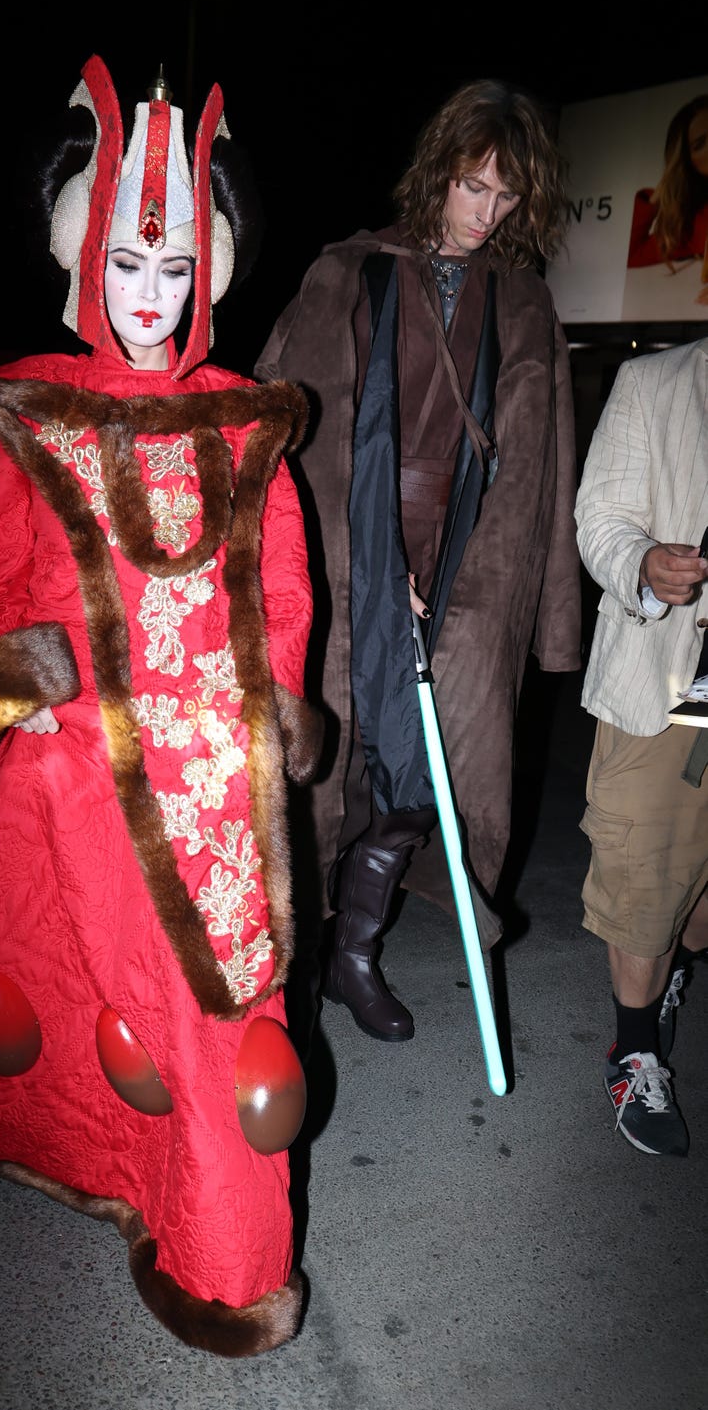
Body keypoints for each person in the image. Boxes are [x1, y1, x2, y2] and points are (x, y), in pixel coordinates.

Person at [0, 56, 321, 1356]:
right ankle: (189, 1235)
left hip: (215, 802)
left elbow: (279, 591)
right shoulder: (30, 414)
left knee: (232, 1045)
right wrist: (0, 679)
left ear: (209, 275)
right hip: (74, 785)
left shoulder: (246, 428)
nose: (148, 296)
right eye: (128, 263)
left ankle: (225, 1259)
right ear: (82, 260)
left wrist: (284, 704)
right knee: (121, 1010)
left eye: (173, 268)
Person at [255, 79, 581, 1046]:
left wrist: (525, 605)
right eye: (475, 187)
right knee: (325, 761)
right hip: (351, 555)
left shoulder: (523, 304)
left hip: (465, 570)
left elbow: (539, 469)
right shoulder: (350, 273)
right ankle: (297, 959)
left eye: (507, 197)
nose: (488, 214)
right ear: (438, 173)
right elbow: (297, 430)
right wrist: (366, 556)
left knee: (421, 774)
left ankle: (356, 951)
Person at [574, 335, 708, 1158]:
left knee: (695, 894)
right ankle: (635, 1050)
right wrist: (644, 564)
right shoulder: (652, 381)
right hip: (668, 676)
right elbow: (603, 520)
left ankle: (672, 982)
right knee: (644, 869)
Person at [627, 93, 708, 304]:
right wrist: (657, 197)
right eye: (700, 144)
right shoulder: (689, 226)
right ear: (687, 161)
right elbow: (631, 256)